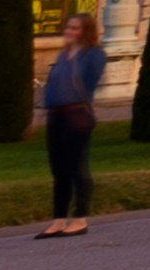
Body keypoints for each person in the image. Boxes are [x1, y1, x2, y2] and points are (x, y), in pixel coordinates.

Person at [37, 14, 105, 238]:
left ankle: (79, 218)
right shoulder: (63, 55)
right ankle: (58, 219)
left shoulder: (93, 55)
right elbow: (53, 85)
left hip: (77, 114)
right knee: (59, 169)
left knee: (77, 166)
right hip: (56, 115)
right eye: (68, 27)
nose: (69, 31)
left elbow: (87, 84)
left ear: (85, 31)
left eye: (75, 28)